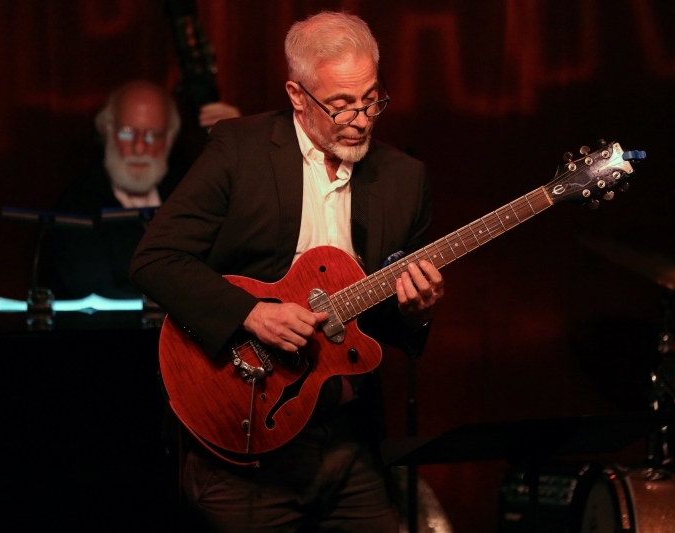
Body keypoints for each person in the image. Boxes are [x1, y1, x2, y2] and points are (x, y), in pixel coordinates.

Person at [130, 11, 444, 532]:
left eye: (372, 99)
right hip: (242, 436)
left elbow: (384, 329)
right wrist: (250, 314)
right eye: (342, 105)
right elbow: (154, 260)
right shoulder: (239, 151)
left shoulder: (404, 180)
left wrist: (415, 313)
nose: (362, 119)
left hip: (348, 441)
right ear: (298, 95)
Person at [45, 81, 240, 299]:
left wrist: (238, 146)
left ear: (168, 140)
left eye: (152, 134)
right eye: (127, 132)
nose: (139, 146)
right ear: (108, 132)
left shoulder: (191, 195)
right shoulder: (76, 206)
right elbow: (90, 292)